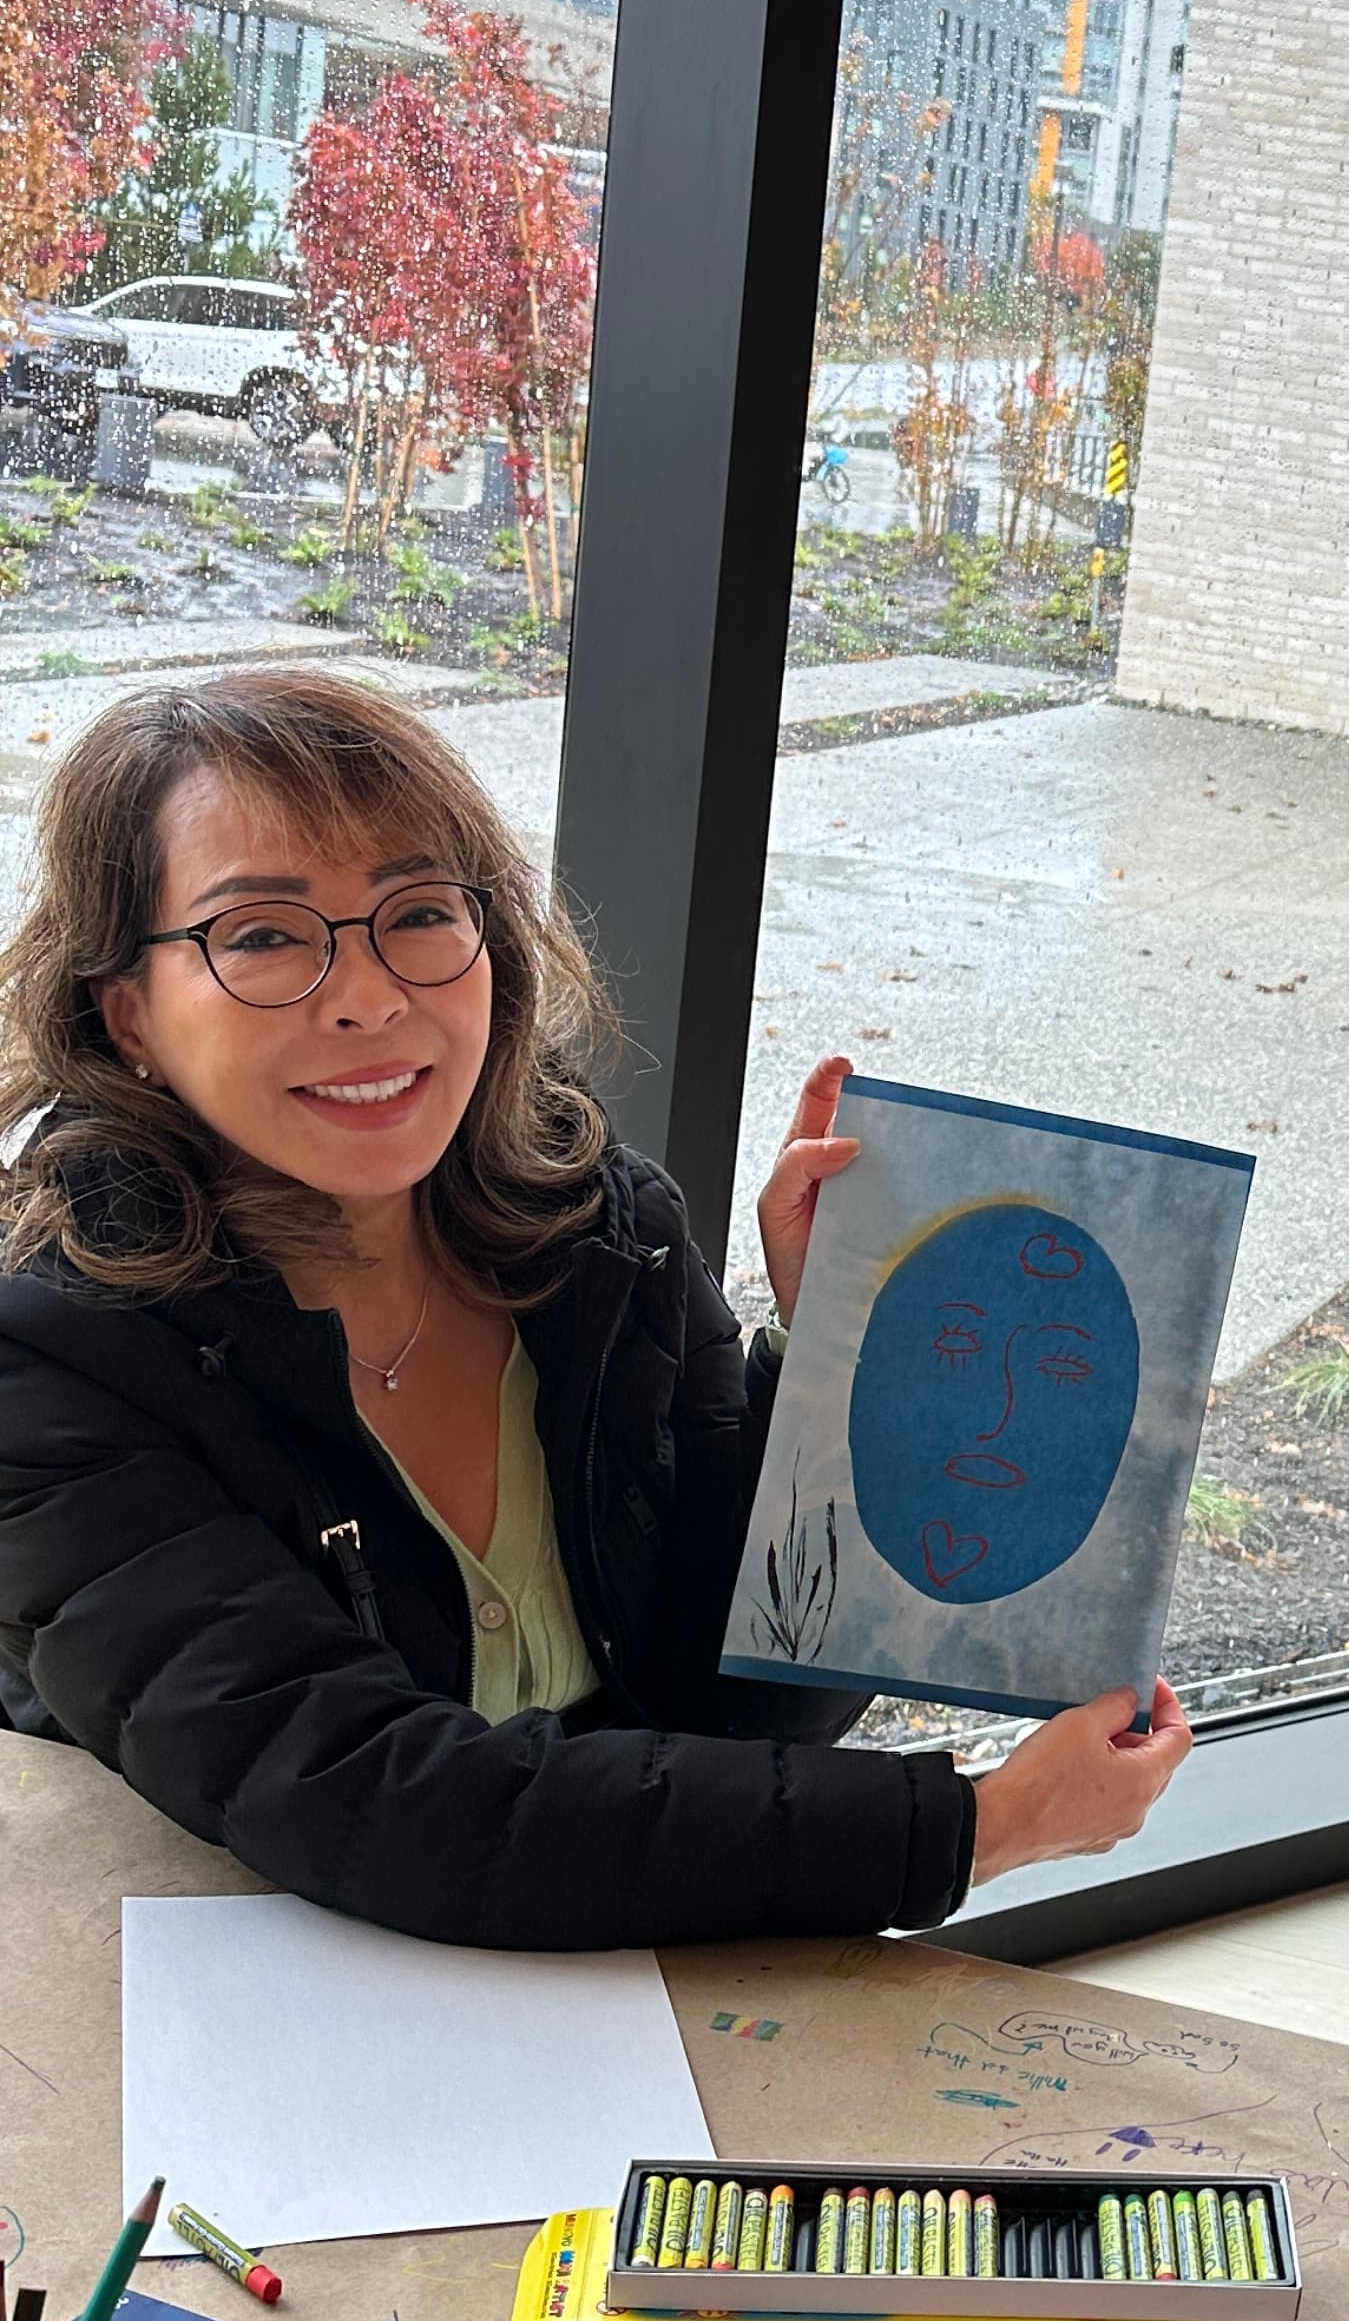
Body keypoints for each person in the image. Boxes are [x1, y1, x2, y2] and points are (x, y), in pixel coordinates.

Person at [0, 666, 1192, 1947]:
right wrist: (974, 1828)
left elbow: (744, 1705)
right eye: (262, 936)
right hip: (218, 1990)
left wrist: (844, 1364)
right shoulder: (52, 1360)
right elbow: (377, 1798)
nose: (370, 996)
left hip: (603, 1967)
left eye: (419, 911)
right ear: (128, 1015)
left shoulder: (602, 1236)